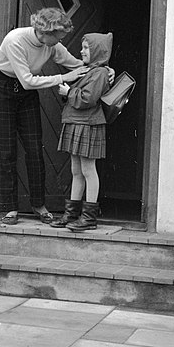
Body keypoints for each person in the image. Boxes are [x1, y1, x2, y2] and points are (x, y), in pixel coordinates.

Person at [0, 8, 90, 225]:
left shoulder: (51, 44)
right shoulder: (15, 40)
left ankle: (39, 205)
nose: (61, 40)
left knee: (34, 149)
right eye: (59, 36)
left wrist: (105, 70)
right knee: (5, 151)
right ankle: (9, 209)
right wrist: (63, 77)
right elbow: (27, 80)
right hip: (1, 89)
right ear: (45, 32)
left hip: (26, 94)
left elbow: (77, 65)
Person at [51, 32, 113, 232]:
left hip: (87, 124)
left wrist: (69, 92)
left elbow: (88, 99)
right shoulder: (88, 70)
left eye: (86, 48)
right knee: (76, 171)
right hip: (76, 122)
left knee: (88, 170)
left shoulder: (100, 73)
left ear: (96, 51)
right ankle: (71, 214)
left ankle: (89, 218)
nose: (81, 51)